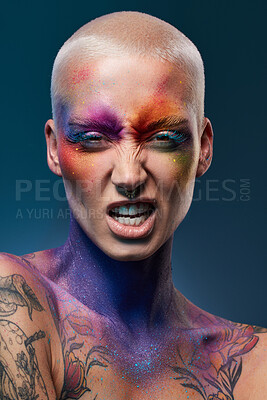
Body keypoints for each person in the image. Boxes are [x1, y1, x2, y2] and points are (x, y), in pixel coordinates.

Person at [0, 11, 266, 400]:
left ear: (204, 148)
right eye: (92, 138)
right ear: (54, 149)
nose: (129, 177)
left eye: (163, 137)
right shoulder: (14, 301)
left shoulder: (252, 363)